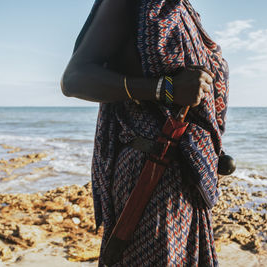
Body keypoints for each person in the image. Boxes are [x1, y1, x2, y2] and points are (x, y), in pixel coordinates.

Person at [61, 0, 229, 266]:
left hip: (186, 177)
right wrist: (166, 88)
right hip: (150, 174)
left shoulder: (182, 9)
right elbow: (74, 79)